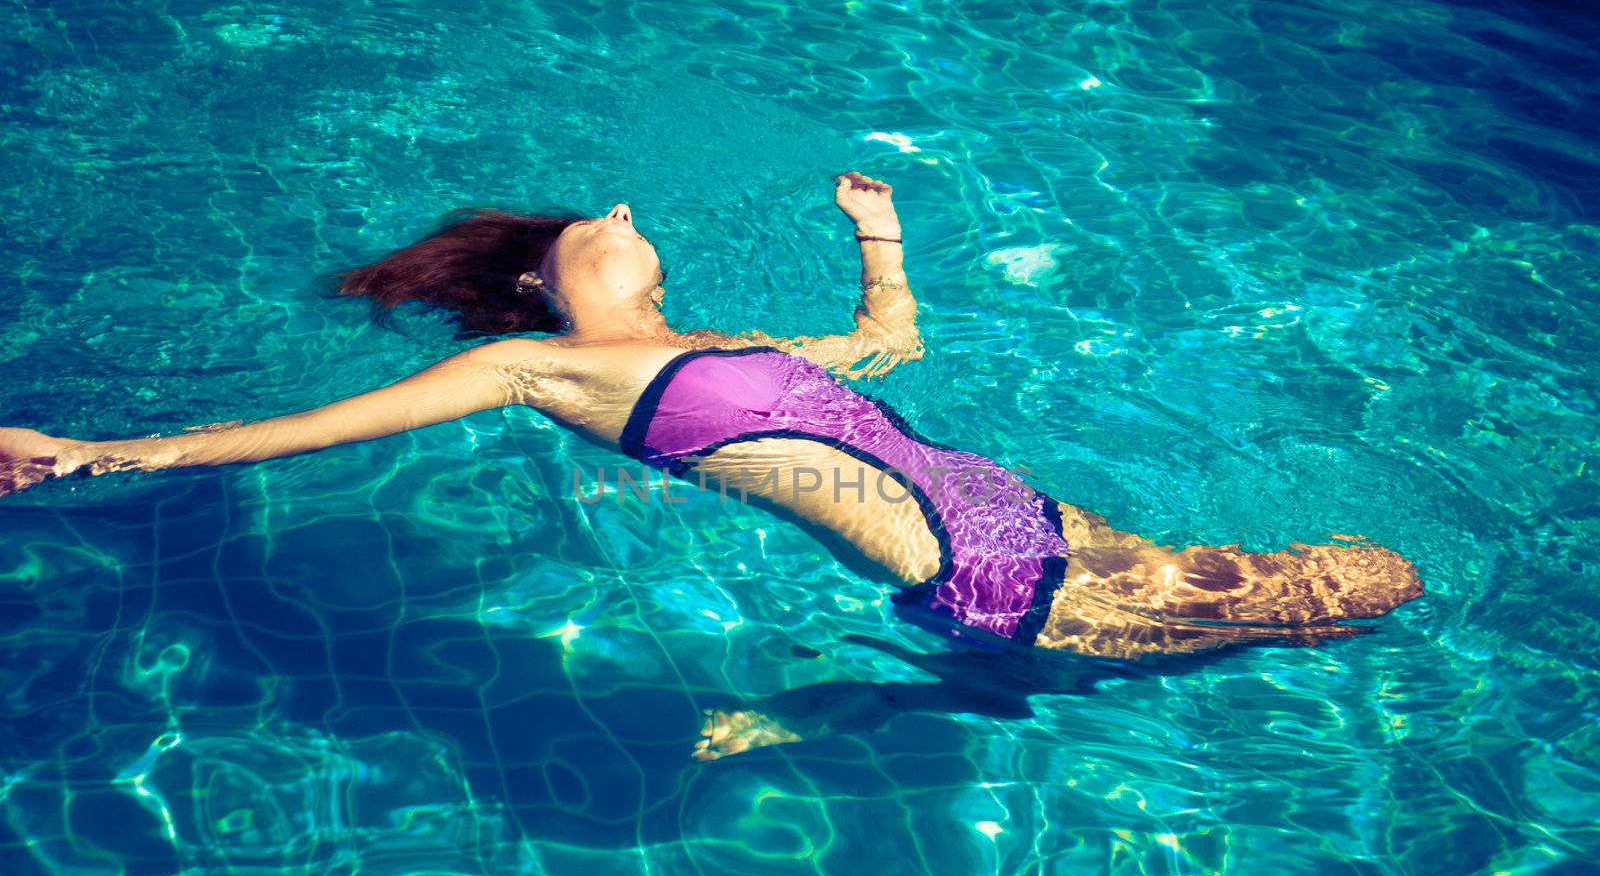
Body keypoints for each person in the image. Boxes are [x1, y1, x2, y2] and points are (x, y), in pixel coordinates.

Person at [0, 173, 1423, 757]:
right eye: (583, 222)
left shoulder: (726, 336)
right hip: (981, 572)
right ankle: (842, 701)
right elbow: (298, 435)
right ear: (547, 285)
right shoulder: (537, 368)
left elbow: (889, 349)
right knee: (1368, 587)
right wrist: (89, 457)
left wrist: (878, 228)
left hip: (1040, 512)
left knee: (1360, 584)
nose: (617, 208)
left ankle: (871, 699)